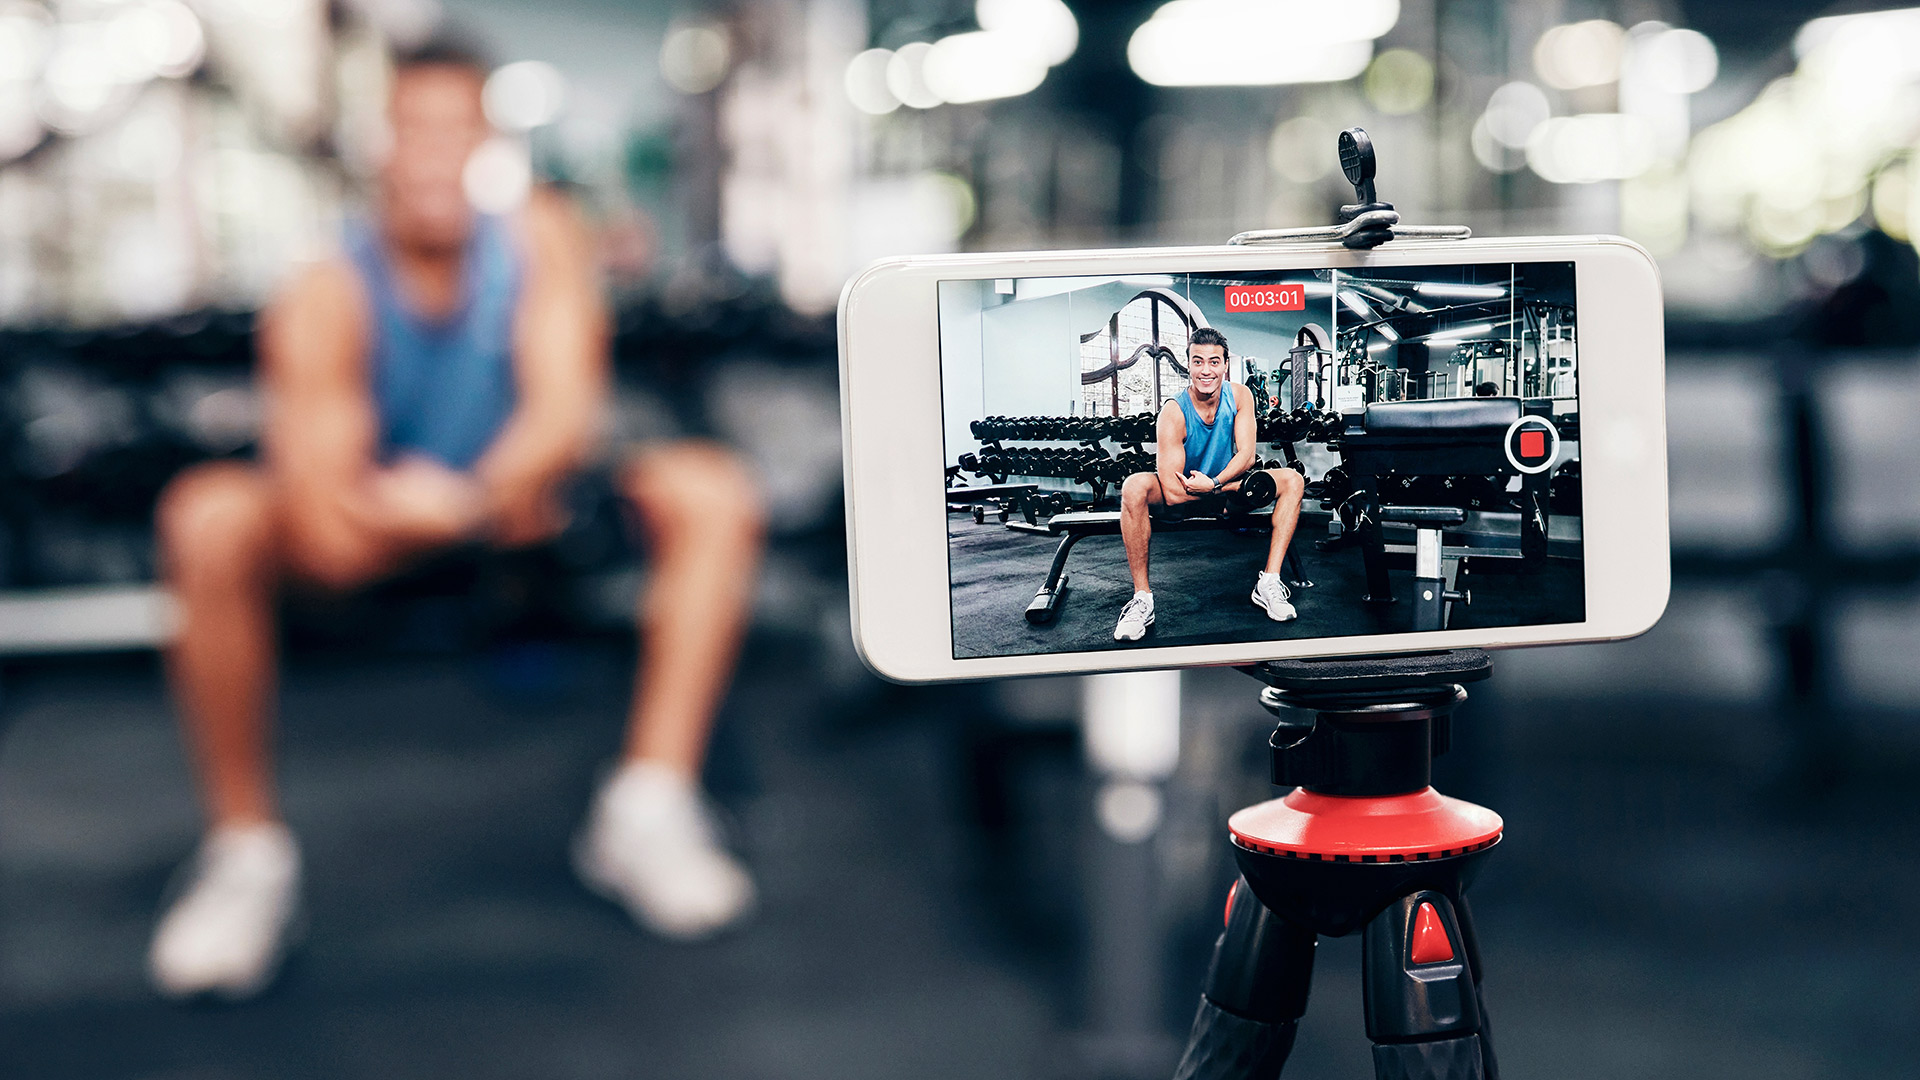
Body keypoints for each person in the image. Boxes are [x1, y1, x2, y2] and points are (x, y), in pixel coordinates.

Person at [146, 40, 764, 999]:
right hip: (376, 537)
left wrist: (469, 499)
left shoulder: (540, 235)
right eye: (415, 130)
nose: (434, 153)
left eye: (456, 129)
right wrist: (425, 514)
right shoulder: (327, 289)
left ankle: (646, 805)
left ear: (485, 141)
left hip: (517, 519)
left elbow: (560, 418)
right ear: (382, 144)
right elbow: (323, 519)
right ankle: (246, 856)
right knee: (205, 515)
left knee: (709, 488)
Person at [1111, 328, 1306, 642]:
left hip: (1222, 489)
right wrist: (1218, 488)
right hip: (1184, 497)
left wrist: (1215, 484)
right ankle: (1142, 600)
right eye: (1197, 361)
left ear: (1226, 365)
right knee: (1134, 486)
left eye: (1214, 362)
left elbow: (1246, 455)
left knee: (1292, 480)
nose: (1206, 370)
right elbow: (1174, 495)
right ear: (1188, 365)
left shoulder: (1241, 395)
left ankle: (1269, 582)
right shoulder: (1173, 413)